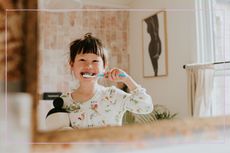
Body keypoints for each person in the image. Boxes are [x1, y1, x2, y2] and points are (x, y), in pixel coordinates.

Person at [47, 33, 153, 130]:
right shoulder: (63, 102)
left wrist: (127, 79)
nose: (88, 66)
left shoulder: (113, 95)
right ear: (72, 64)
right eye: (82, 60)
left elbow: (146, 107)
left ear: (104, 67)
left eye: (95, 61)